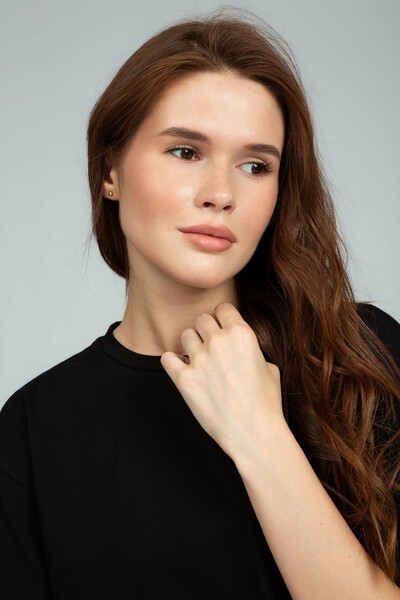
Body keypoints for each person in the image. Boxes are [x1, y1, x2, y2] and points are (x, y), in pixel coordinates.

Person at [0, 11, 399, 600]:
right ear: (110, 171)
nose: (221, 194)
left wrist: (260, 435)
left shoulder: (361, 358)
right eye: (186, 151)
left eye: (255, 166)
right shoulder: (35, 428)